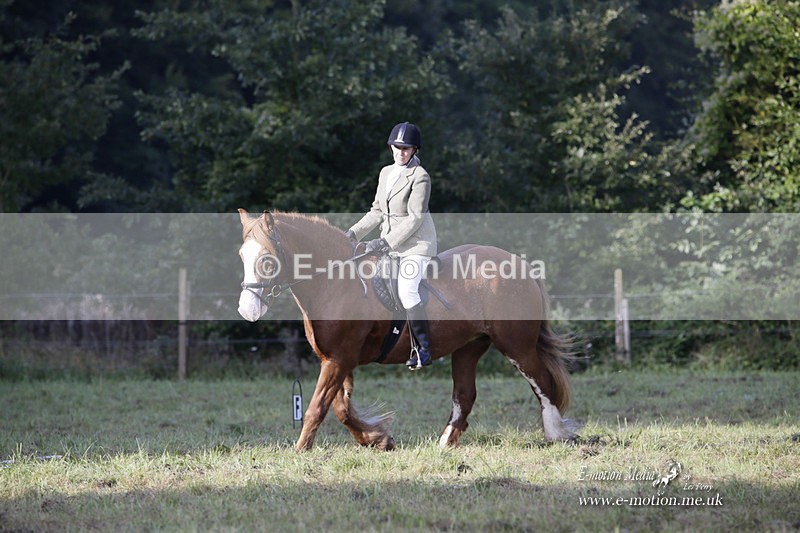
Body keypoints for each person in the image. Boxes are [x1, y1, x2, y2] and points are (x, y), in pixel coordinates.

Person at [346, 122, 437, 369]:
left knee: (407, 288)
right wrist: (353, 233)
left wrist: (385, 241)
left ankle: (423, 350)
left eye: (406, 149)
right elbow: (377, 211)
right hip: (390, 245)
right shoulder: (386, 173)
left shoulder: (420, 177)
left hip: (416, 245)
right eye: (396, 147)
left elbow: (415, 218)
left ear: (414, 150)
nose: (400, 152)